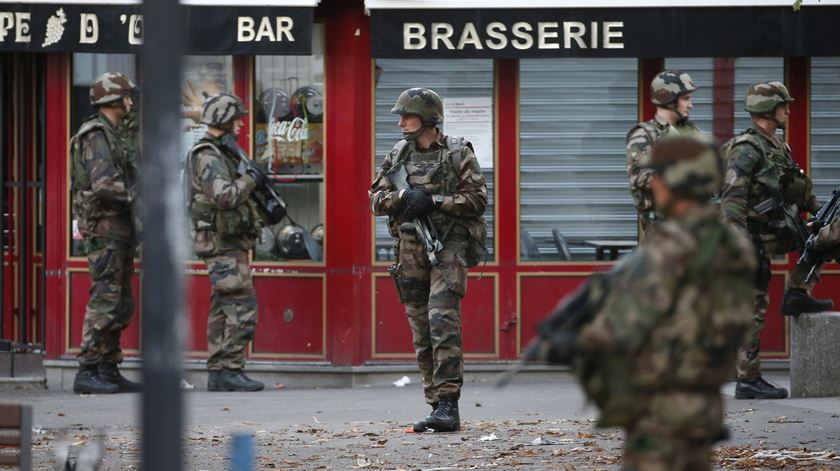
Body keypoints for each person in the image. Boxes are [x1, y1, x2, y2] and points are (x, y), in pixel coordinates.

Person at [572, 136, 755, 470]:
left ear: (677, 180)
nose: (652, 185)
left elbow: (616, 332)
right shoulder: (731, 242)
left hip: (660, 409)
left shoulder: (671, 246)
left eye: (657, 176)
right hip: (703, 406)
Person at [369, 88, 488, 432]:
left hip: (447, 247)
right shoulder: (397, 155)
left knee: (442, 321)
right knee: (420, 328)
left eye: (408, 116)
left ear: (429, 119)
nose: (402, 123)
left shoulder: (457, 153)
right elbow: (375, 200)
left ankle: (449, 403)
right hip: (409, 248)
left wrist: (435, 201)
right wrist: (404, 195)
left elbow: (477, 199)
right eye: (401, 117)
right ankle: (435, 404)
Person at [721, 81, 831, 399]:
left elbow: (797, 189)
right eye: (784, 105)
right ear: (769, 109)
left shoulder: (777, 146)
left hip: (777, 231)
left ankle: (797, 291)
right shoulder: (748, 147)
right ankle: (748, 380)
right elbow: (732, 199)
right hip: (752, 238)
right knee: (752, 307)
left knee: (826, 238)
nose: (788, 110)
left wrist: (820, 211)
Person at [186, 93, 267, 392]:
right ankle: (231, 369)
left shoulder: (223, 152)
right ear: (223, 119)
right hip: (220, 242)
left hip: (226, 241)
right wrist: (251, 179)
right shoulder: (208, 155)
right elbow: (225, 197)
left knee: (223, 306)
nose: (240, 124)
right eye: (236, 119)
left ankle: (219, 372)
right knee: (242, 305)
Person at [70, 72, 142, 394]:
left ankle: (107, 367)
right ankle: (87, 370)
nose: (130, 101)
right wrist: (140, 197)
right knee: (105, 298)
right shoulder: (97, 134)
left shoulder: (113, 133)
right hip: (105, 229)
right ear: (113, 99)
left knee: (121, 300)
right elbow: (105, 186)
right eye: (126, 96)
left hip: (119, 229)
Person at [626, 70, 704, 237]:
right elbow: (644, 178)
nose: (690, 105)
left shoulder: (693, 133)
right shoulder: (644, 135)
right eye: (686, 99)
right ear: (669, 100)